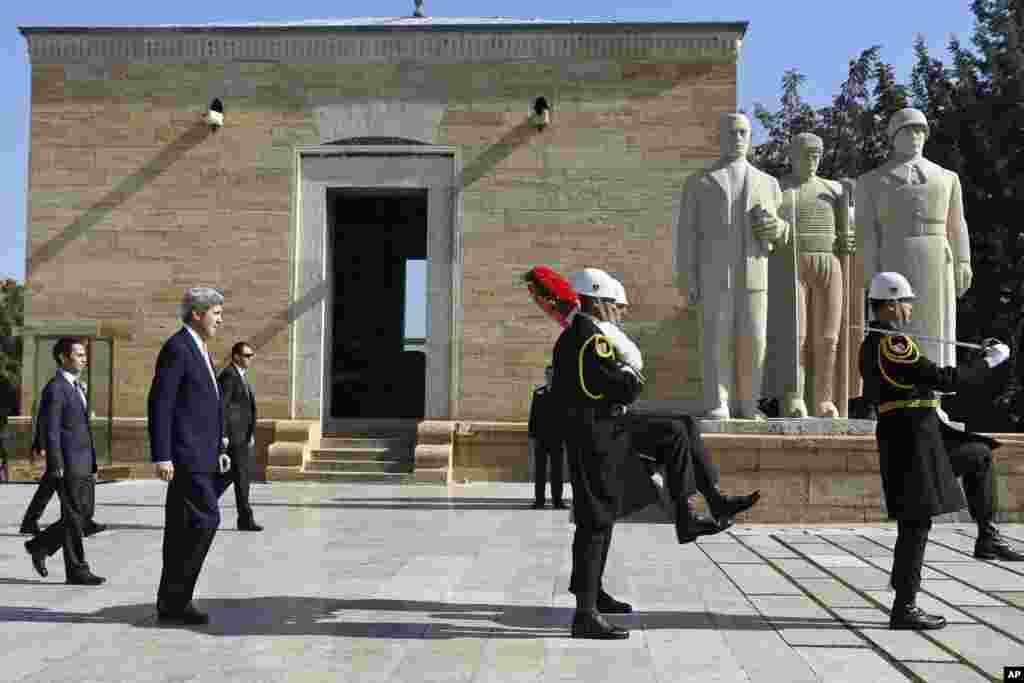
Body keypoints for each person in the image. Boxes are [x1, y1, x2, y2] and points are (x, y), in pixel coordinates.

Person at [554, 268, 759, 640]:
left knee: (679, 426)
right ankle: (585, 612)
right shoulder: (588, 336)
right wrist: (631, 377)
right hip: (597, 433)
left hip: (607, 427)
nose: (620, 315)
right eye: (616, 308)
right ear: (598, 302)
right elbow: (615, 387)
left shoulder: (584, 334)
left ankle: (699, 506)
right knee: (596, 520)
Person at [859, 272, 1019, 631]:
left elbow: (927, 382)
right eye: (906, 301)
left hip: (923, 434)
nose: (910, 307)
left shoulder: (885, 343)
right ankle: (905, 607)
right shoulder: (891, 344)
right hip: (911, 440)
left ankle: (988, 537)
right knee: (916, 523)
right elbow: (944, 379)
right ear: (890, 305)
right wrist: (990, 361)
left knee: (979, 453)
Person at [674, 112, 790, 419]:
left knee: (754, 339)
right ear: (720, 137)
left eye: (743, 132)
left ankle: (749, 402)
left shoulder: (768, 183)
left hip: (754, 274)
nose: (738, 138)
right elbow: (687, 234)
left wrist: (775, 228)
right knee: (716, 340)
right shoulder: (699, 182)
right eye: (732, 132)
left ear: (750, 137)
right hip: (714, 274)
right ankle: (718, 401)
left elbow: (782, 231)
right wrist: (687, 276)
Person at [858, 108, 972, 368]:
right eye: (908, 130)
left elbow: (957, 223)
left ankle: (934, 395)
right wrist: (869, 270)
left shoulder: (947, 178)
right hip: (895, 253)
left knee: (936, 324)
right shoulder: (871, 181)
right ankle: (900, 390)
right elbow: (866, 231)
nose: (916, 135)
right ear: (894, 136)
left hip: (936, 256)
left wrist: (963, 261)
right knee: (896, 323)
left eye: (921, 130)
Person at [149, 287, 230, 626]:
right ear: (197, 314)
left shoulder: (201, 350)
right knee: (206, 519)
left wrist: (220, 448)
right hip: (185, 456)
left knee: (183, 528)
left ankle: (171, 601)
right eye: (216, 312)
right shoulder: (178, 348)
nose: (220, 319)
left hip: (204, 454)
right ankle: (177, 597)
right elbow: (161, 404)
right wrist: (162, 455)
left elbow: (207, 404)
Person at [770, 132, 855, 417]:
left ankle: (824, 399)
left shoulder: (834, 190)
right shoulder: (779, 190)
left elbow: (847, 233)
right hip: (793, 263)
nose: (812, 160)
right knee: (796, 335)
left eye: (817, 154)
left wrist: (848, 238)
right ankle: (794, 397)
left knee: (829, 337)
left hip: (829, 262)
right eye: (806, 154)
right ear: (792, 156)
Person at [23, 338, 105, 585]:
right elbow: (52, 429)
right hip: (68, 463)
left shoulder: (76, 386)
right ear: (63, 358)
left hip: (83, 461)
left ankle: (40, 546)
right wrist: (56, 463)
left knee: (83, 516)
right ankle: (77, 569)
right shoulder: (56, 388)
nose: (84, 358)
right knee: (74, 517)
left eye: (84, 354)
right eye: (78, 354)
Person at [218, 341, 263, 531]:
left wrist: (250, 433)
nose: (250, 359)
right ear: (236, 356)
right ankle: (245, 519)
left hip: (242, 437)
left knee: (230, 478)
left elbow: (245, 409)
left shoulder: (240, 376)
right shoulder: (229, 375)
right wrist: (224, 435)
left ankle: (197, 508)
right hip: (234, 438)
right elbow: (222, 408)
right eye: (247, 355)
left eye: (251, 355)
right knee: (241, 478)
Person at [527, 366, 566, 509]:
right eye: (548, 374)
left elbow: (566, 417)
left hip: (557, 438)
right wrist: (532, 435)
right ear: (545, 376)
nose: (550, 377)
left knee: (557, 471)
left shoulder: (563, 393)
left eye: (553, 374)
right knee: (540, 472)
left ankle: (557, 501)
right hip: (541, 438)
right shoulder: (539, 393)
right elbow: (534, 415)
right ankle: (539, 501)